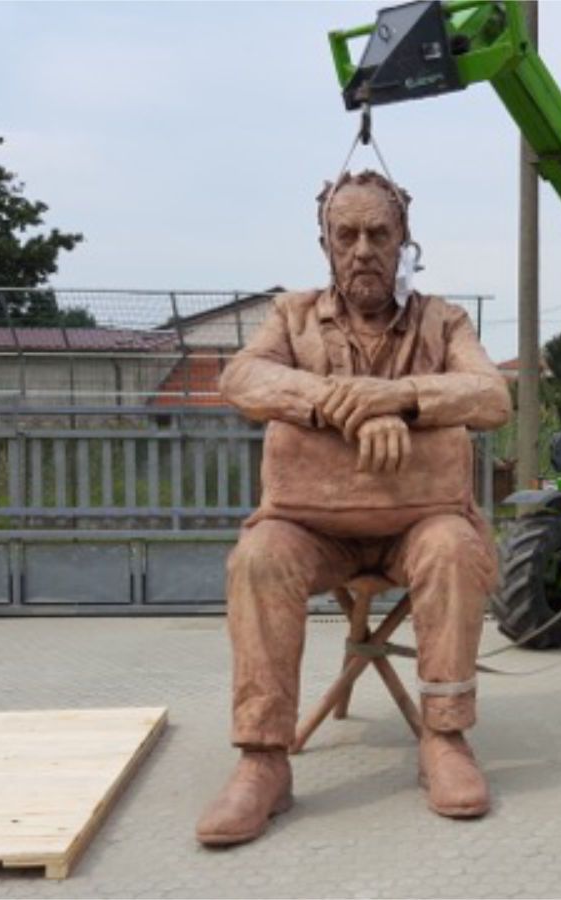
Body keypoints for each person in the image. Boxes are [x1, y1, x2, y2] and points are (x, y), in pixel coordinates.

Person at [196, 170, 511, 846]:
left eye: (379, 233)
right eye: (347, 235)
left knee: (454, 547)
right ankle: (263, 760)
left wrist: (395, 398)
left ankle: (445, 737)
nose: (363, 249)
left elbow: (490, 396)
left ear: (404, 241)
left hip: (417, 524)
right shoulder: (292, 316)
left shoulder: (444, 319)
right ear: (325, 243)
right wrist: (336, 403)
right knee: (257, 558)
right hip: (314, 529)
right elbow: (241, 378)